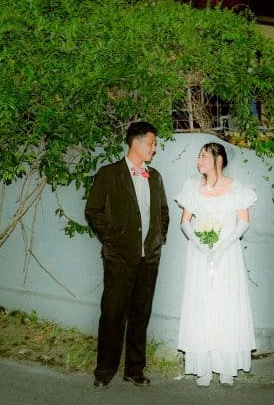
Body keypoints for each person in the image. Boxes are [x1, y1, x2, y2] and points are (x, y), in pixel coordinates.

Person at [84, 121, 170, 388]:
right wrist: (113, 240)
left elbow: (163, 212)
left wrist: (158, 239)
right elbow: (93, 211)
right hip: (119, 258)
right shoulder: (109, 174)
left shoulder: (155, 177)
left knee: (140, 316)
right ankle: (104, 371)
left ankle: (134, 369)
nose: (154, 149)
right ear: (137, 142)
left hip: (149, 259)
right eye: (152, 143)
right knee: (112, 315)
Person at [174, 142, 257, 386]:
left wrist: (222, 247)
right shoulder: (192, 187)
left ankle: (226, 367)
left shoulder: (236, 187)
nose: (199, 161)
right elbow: (185, 221)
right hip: (200, 255)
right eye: (198, 156)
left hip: (227, 255)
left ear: (218, 159)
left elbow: (243, 222)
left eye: (204, 156)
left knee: (226, 304)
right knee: (202, 305)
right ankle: (204, 368)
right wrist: (200, 245)